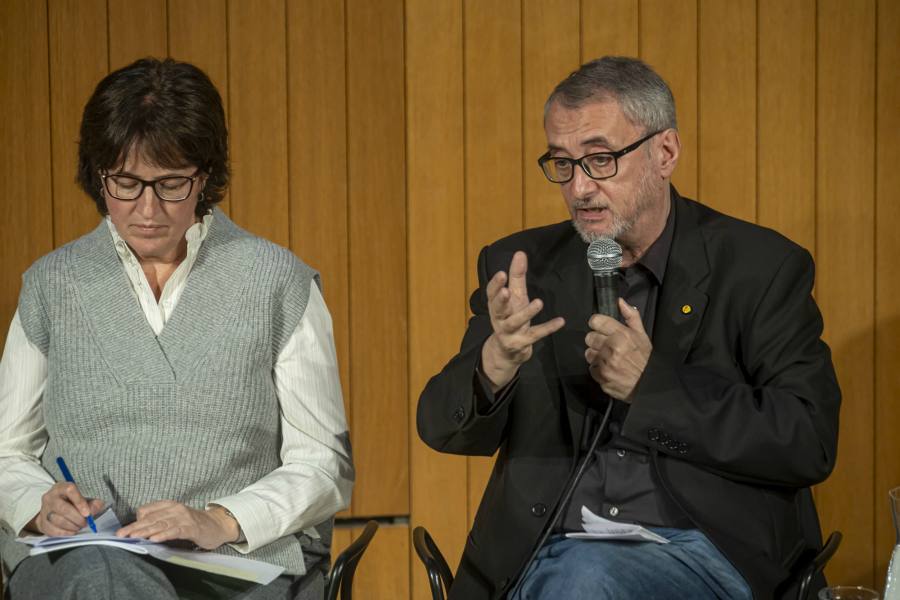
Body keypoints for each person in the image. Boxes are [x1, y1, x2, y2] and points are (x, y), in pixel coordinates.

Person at [417, 56, 840, 600]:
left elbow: (808, 440)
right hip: (549, 548)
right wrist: (493, 366)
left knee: (583, 580)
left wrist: (652, 388)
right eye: (563, 163)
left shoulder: (759, 267)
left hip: (703, 549)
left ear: (665, 153)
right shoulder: (525, 267)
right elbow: (442, 429)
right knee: (575, 577)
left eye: (600, 159)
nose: (579, 188)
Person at [0, 58, 353, 599]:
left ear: (204, 176)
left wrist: (219, 519)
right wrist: (37, 504)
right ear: (98, 175)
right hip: (84, 561)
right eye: (125, 184)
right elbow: (7, 454)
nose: (147, 210)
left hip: (234, 565)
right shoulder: (52, 284)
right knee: (101, 576)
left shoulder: (276, 281)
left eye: (170, 185)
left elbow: (324, 465)